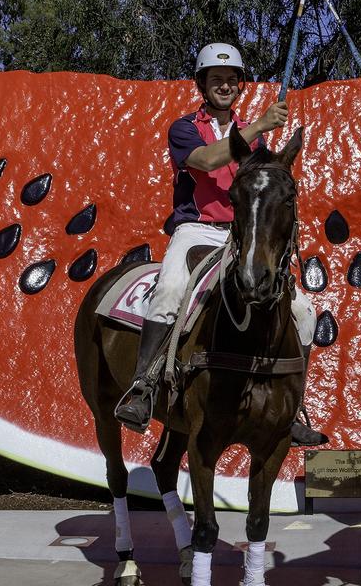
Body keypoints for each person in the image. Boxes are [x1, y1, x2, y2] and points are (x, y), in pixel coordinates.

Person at [113, 42, 327, 447]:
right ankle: (142, 388)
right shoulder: (184, 128)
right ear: (203, 85)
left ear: (240, 85)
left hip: (240, 234)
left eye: (231, 80)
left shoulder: (255, 141)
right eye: (216, 79)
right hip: (194, 230)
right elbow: (207, 161)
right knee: (170, 292)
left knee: (304, 311)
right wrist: (260, 127)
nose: (224, 86)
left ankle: (293, 404)